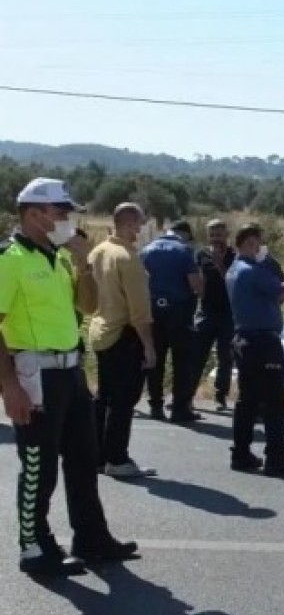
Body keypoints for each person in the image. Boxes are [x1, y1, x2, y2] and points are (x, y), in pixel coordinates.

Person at [0, 178, 137, 577]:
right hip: (33, 370)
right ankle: (34, 547)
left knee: (82, 459)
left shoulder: (59, 257)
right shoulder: (10, 259)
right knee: (39, 466)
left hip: (70, 369)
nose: (67, 218)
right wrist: (9, 386)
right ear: (34, 213)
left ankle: (91, 538)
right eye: (60, 211)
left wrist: (83, 264)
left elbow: (88, 304)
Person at [225, 224, 284, 476]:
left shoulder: (235, 270)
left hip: (244, 341)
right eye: (258, 243)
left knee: (247, 401)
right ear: (249, 243)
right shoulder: (253, 270)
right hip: (264, 343)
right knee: (275, 402)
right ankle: (276, 456)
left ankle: (241, 453)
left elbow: (273, 288)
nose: (261, 248)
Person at [87, 202, 158, 479]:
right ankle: (117, 458)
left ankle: (98, 456)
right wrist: (149, 346)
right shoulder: (128, 258)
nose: (140, 230)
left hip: (101, 330)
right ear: (128, 224)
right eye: (138, 224)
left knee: (104, 396)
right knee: (123, 400)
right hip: (124, 334)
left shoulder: (98, 251)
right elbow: (140, 310)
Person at [139, 218, 202, 422]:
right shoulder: (184, 251)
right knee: (181, 361)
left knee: (155, 360)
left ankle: (155, 405)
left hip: (153, 309)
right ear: (184, 235)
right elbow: (195, 285)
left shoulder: (146, 250)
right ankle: (180, 408)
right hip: (178, 311)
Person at [192, 218, 236, 411]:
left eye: (219, 234)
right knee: (196, 355)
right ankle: (187, 396)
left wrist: (219, 263)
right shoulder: (201, 254)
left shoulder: (235, 256)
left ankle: (220, 397)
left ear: (227, 235)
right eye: (212, 235)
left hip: (228, 314)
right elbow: (196, 277)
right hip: (206, 312)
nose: (216, 238)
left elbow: (233, 282)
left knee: (225, 357)